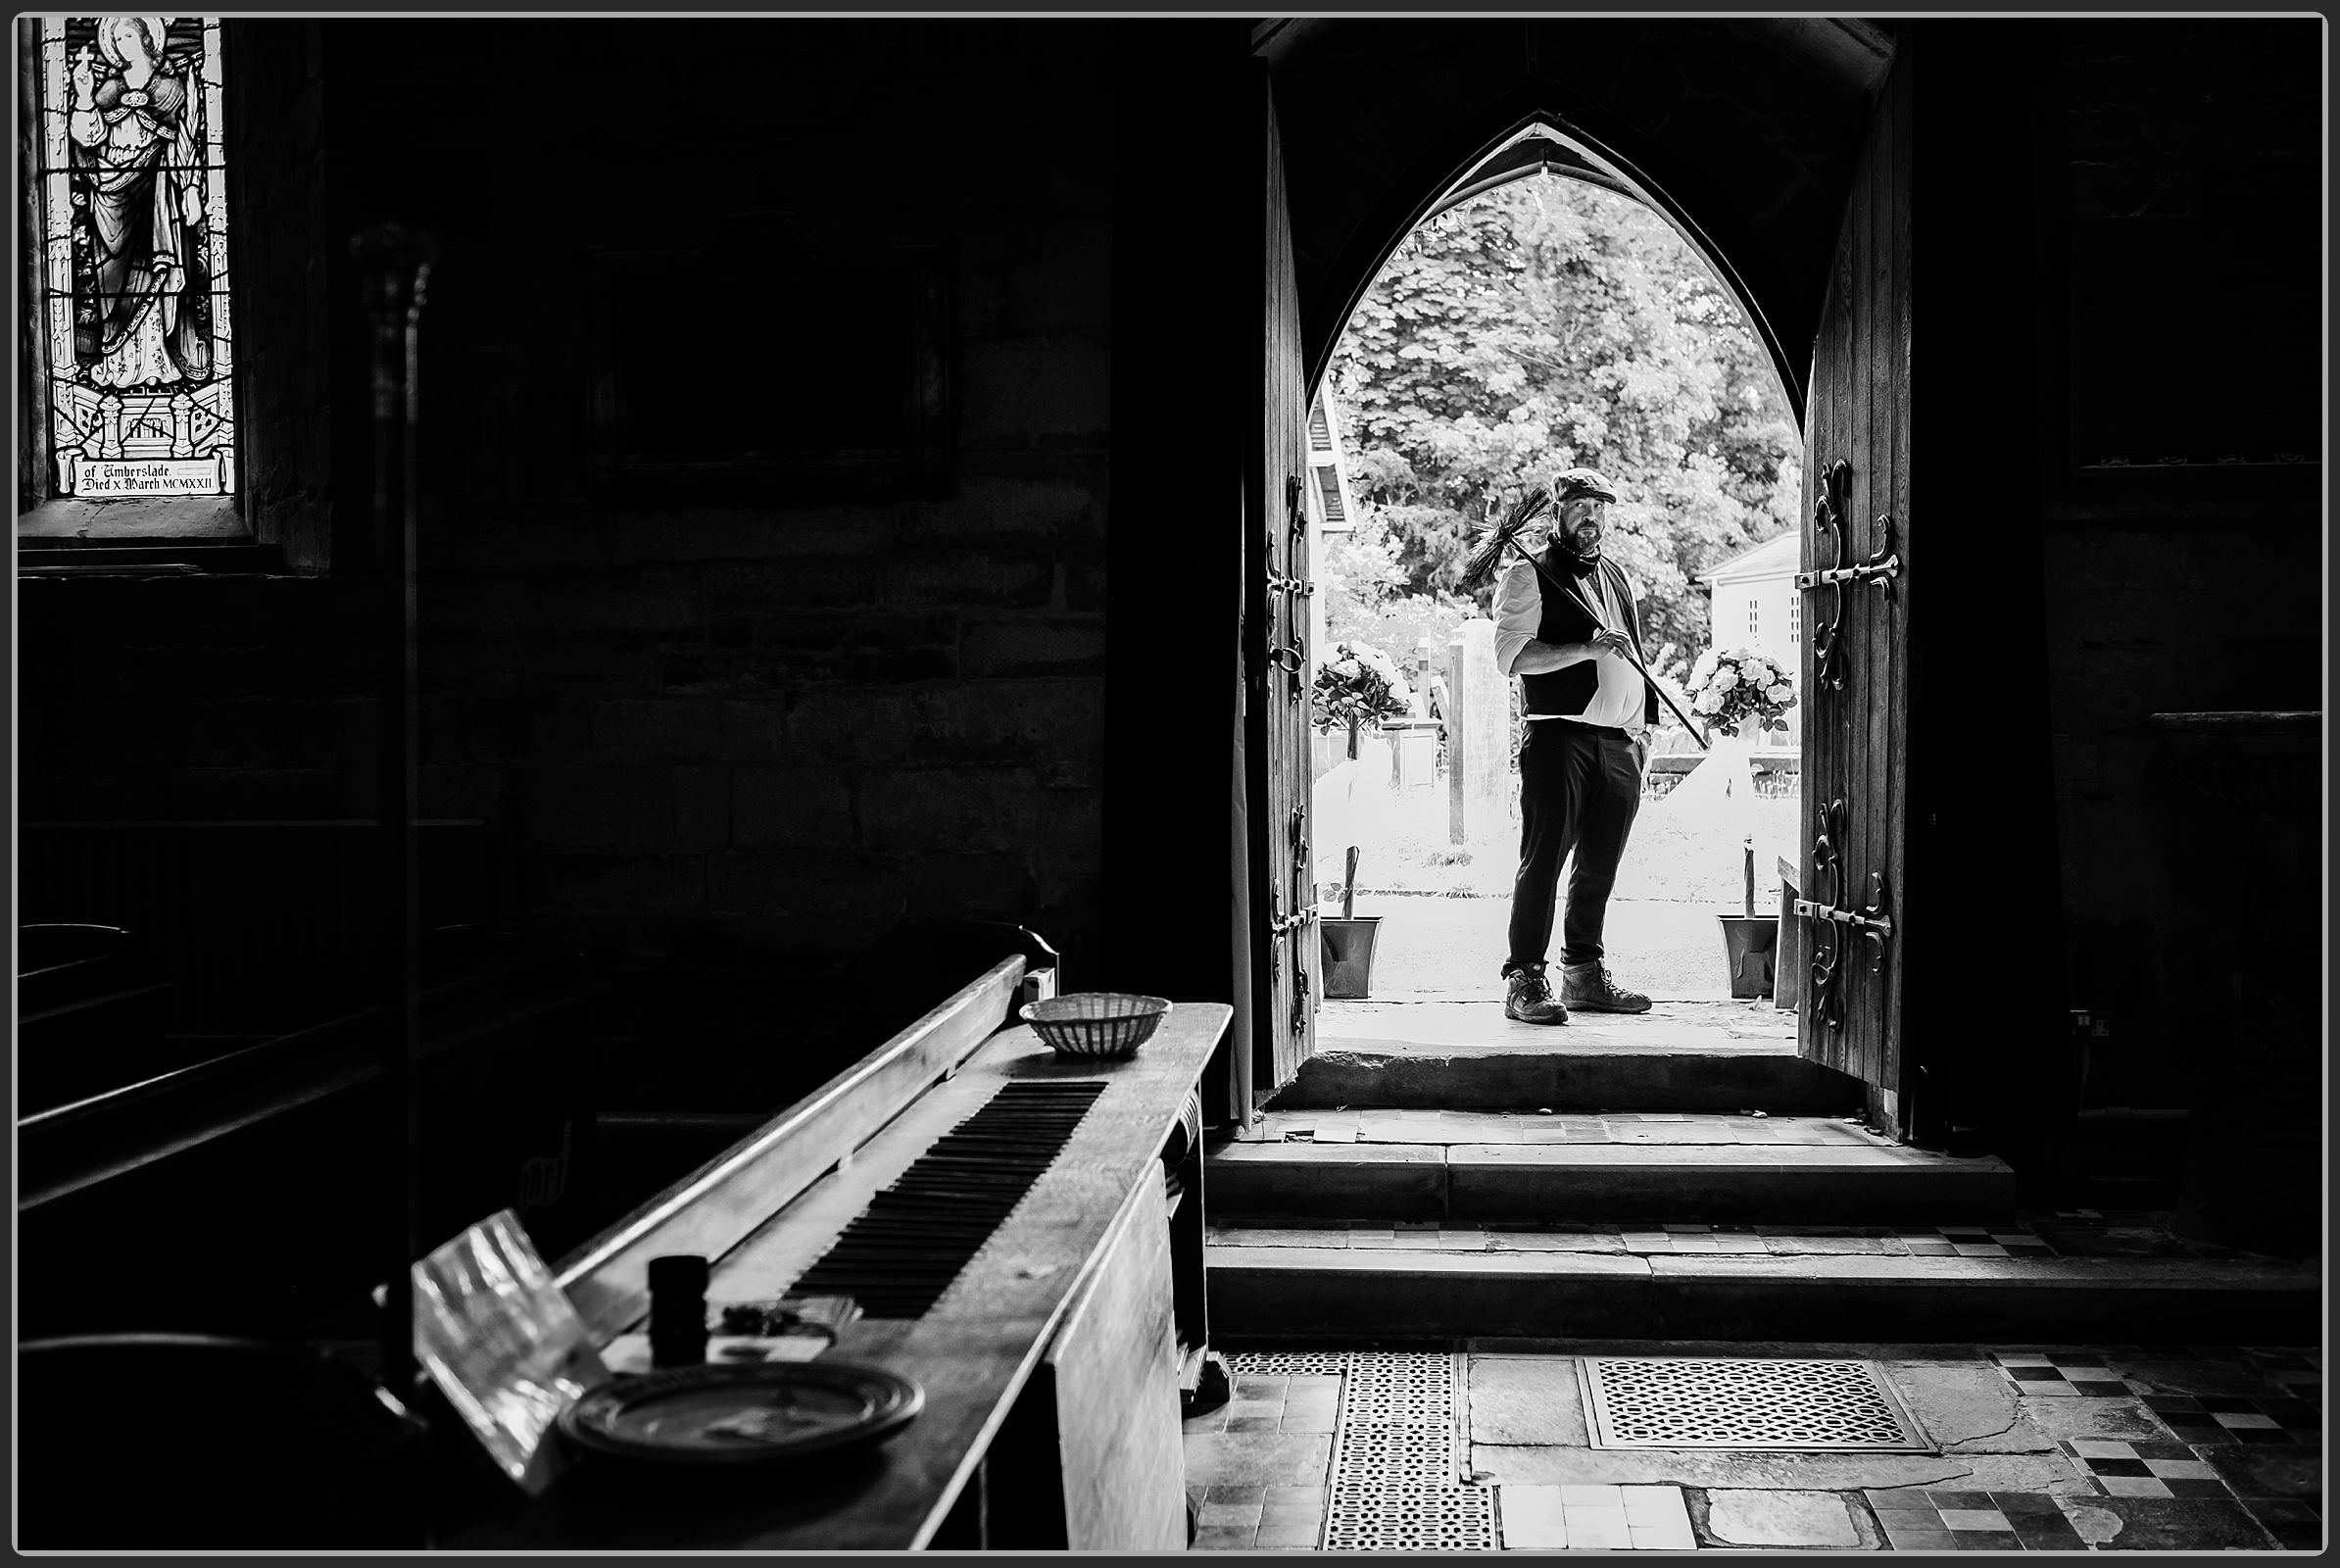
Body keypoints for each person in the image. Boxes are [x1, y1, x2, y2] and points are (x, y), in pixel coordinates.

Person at [1491, 466, 1661, 1024]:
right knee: (1544, 860)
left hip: (1619, 743)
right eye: (1581, 506)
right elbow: (1513, 656)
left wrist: (1643, 729)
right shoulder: (1528, 573)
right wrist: (1585, 650)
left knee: (1599, 866)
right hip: (1559, 736)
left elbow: (1630, 657)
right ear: (1558, 512)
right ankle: (1524, 981)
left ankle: (1584, 974)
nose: (1592, 517)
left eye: (1600, 507)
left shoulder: (1613, 575)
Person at [69, 17, 213, 390]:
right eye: (116, 37)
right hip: (110, 197)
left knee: (154, 271)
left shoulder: (170, 90)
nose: (121, 43)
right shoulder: (108, 90)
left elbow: (186, 137)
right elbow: (89, 139)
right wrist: (84, 96)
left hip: (155, 190)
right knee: (112, 284)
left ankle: (157, 359)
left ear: (148, 38)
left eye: (128, 35)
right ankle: (118, 366)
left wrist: (191, 186)